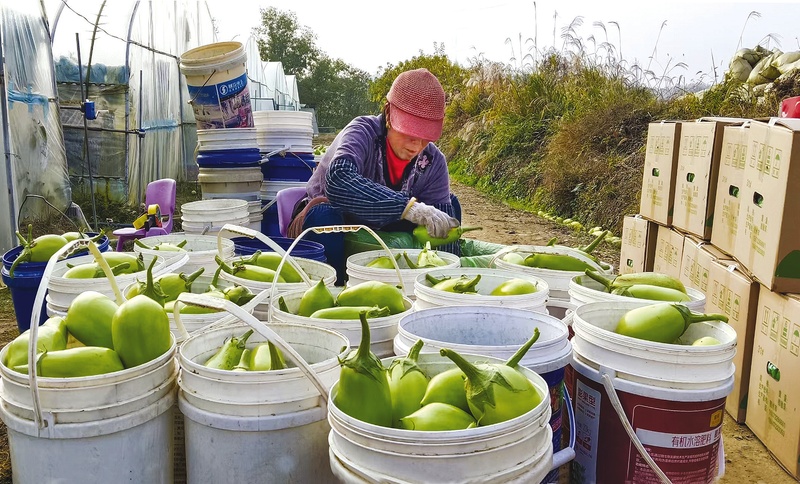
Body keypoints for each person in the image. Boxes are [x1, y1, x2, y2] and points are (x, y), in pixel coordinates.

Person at [287, 68, 462, 284]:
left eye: (425, 137)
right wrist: (408, 208)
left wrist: (449, 278)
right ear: (388, 114)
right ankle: (335, 287)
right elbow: (338, 180)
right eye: (408, 133)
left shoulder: (433, 161)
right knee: (324, 216)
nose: (416, 146)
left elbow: (443, 232)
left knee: (447, 211)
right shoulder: (362, 132)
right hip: (334, 223)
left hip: (382, 227)